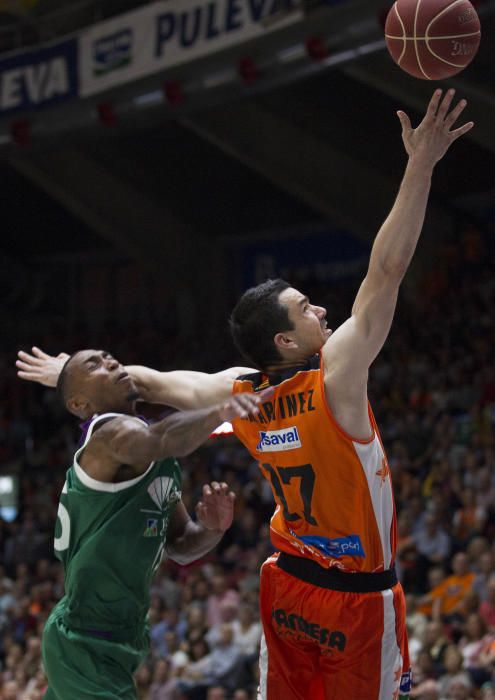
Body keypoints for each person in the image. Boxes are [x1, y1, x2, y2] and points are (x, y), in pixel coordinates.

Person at [18, 89, 473, 699]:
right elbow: (385, 272)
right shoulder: (334, 375)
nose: (322, 310)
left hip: (287, 586)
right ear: (286, 341)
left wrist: (67, 378)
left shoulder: (239, 389)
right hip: (357, 601)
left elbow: (147, 380)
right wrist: (421, 165)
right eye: (307, 309)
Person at [37, 349, 266, 700]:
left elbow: (181, 545)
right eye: (94, 365)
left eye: (109, 357)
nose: (110, 362)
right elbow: (161, 438)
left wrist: (212, 529)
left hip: (122, 636)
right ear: (79, 404)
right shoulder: (107, 437)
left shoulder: (151, 456)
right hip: (84, 641)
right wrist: (219, 410)